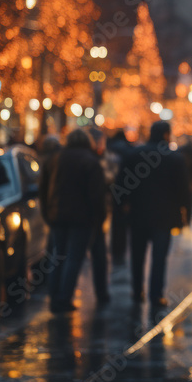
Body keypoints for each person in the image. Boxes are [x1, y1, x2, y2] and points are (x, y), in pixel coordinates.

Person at [115, 120, 189, 308]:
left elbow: (121, 185)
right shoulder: (174, 158)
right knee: (159, 258)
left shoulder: (133, 154)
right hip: (164, 216)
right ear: (166, 134)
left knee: (137, 256)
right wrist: (185, 215)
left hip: (138, 214)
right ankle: (156, 295)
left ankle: (137, 290)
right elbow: (182, 190)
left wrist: (122, 207)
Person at [39, 130, 107, 313]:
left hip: (57, 215)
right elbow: (96, 195)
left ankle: (54, 297)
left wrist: (47, 212)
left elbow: (43, 188)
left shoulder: (55, 158)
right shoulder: (91, 161)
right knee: (74, 258)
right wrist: (99, 219)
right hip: (81, 218)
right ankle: (63, 298)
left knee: (57, 256)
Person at [86, 128, 114, 305]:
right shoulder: (95, 162)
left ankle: (61, 296)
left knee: (69, 257)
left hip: (75, 217)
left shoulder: (63, 158)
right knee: (98, 255)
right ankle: (101, 292)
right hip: (92, 217)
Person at [107, 130, 134, 264]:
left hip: (107, 187)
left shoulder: (109, 148)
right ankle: (119, 251)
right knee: (121, 224)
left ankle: (114, 249)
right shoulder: (128, 150)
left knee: (114, 223)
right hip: (123, 189)